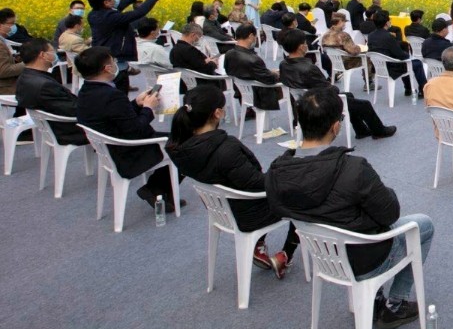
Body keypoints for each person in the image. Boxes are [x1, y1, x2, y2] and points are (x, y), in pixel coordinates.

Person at [266, 86, 434, 327]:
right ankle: (395, 305)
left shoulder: (277, 171)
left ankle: (375, 297)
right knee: (423, 225)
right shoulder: (353, 169)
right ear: (335, 127)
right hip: (364, 256)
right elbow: (389, 213)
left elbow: (279, 209)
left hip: (324, 256)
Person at [167, 85, 299, 278]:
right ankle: (285, 255)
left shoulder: (179, 147)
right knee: (305, 193)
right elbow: (260, 185)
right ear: (218, 113)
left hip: (220, 209)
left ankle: (259, 244)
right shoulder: (225, 149)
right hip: (247, 212)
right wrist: (283, 165)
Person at [74, 46, 184, 211]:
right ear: (107, 68)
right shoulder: (112, 95)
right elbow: (137, 130)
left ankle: (157, 189)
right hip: (128, 150)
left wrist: (137, 104)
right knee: (187, 145)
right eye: (113, 61)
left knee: (180, 136)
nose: (116, 64)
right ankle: (155, 188)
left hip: (110, 145)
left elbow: (118, 117)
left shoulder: (87, 90)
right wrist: (148, 108)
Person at [279, 30, 396, 140]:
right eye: (305, 43)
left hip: (304, 101)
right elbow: (328, 90)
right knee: (365, 104)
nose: (306, 45)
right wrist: (334, 88)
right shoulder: (309, 68)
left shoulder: (283, 64)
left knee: (349, 95)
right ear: (301, 47)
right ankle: (379, 131)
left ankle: (361, 130)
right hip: (319, 103)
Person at [87, 0, 160, 93]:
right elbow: (139, 12)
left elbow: (120, 5)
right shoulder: (110, 17)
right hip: (114, 63)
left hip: (105, 58)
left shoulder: (94, 14)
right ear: (106, 2)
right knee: (120, 94)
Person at [15, 38, 86, 147]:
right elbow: (72, 110)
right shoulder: (44, 85)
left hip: (51, 125)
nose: (55, 54)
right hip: (67, 130)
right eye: (53, 52)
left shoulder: (25, 76)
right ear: (43, 55)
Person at [366, 11, 427, 97]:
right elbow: (401, 55)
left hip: (378, 66)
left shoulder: (371, 35)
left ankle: (408, 88)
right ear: (386, 23)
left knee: (405, 61)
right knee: (416, 63)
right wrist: (409, 56)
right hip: (391, 67)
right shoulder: (388, 36)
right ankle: (422, 90)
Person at [224, 24, 281, 110]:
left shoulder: (228, 54)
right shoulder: (254, 59)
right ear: (251, 36)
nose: (256, 39)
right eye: (255, 36)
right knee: (289, 84)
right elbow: (270, 80)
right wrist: (277, 74)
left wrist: (268, 72)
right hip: (259, 95)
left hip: (242, 92)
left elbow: (229, 72)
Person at [0, 8, 24, 94]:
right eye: (11, 23)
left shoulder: (4, 40)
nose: (14, 27)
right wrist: (28, 64)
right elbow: (3, 70)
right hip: (5, 89)